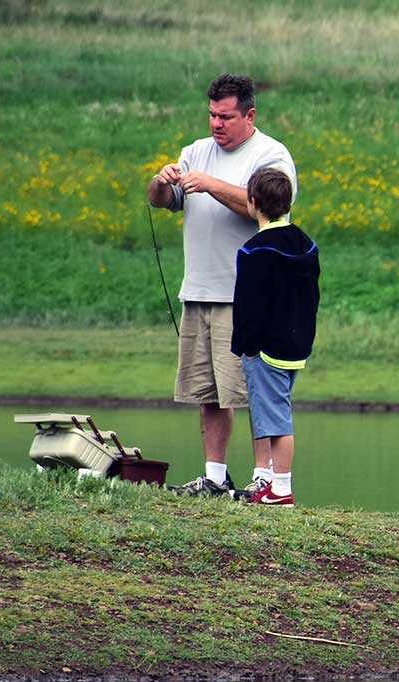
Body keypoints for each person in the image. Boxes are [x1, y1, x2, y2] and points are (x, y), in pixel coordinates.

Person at [147, 74, 297, 497]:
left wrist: (210, 184)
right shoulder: (195, 151)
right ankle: (214, 476)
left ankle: (264, 480)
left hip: (245, 296)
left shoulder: (271, 154)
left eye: (226, 116)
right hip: (198, 290)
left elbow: (266, 207)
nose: (217, 123)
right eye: (212, 114)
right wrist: (161, 182)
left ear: (249, 115)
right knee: (208, 392)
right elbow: (161, 202)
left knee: (250, 391)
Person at [230, 167, 319, 507]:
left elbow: (248, 306)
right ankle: (271, 481)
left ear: (252, 203)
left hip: (264, 349)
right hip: (296, 346)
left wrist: (244, 347)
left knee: (277, 418)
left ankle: (281, 489)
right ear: (288, 202)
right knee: (276, 410)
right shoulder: (306, 244)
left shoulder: (253, 250)